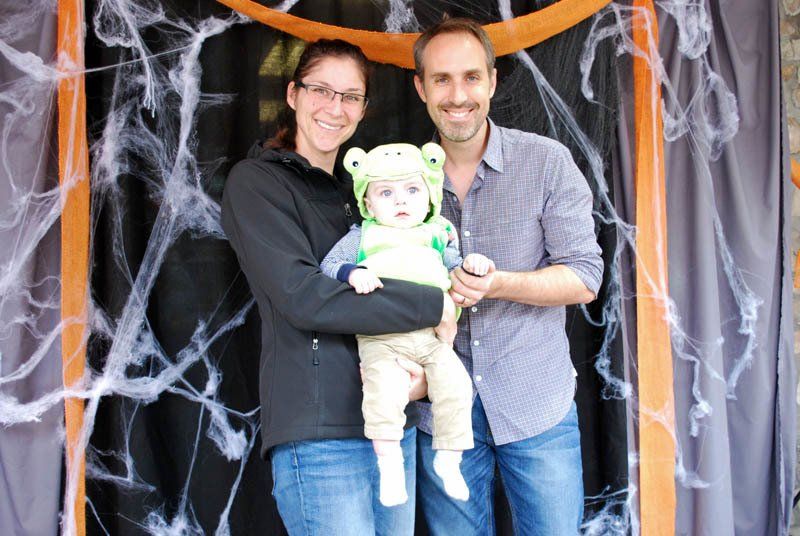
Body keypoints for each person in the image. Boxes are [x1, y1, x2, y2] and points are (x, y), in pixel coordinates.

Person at [220, 39, 457, 536]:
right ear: (292, 94)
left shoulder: (367, 196)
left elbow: (411, 267)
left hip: (392, 424)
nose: (335, 108)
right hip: (322, 435)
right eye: (322, 90)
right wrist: (434, 303)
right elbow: (304, 296)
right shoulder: (257, 183)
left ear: (364, 109)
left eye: (351, 96)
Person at [411, 18, 604, 535]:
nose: (458, 95)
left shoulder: (546, 162)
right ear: (420, 87)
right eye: (442, 79)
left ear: (493, 83)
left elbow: (586, 276)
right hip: (440, 413)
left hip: (535, 404)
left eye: (472, 77)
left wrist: (499, 284)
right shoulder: (399, 177)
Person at [320, 142, 493, 507]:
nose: (401, 202)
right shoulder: (363, 235)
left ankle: (449, 458)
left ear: (428, 196)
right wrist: (354, 272)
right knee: (384, 392)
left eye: (412, 190)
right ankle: (390, 465)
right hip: (381, 338)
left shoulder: (435, 233)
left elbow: (455, 266)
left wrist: (472, 264)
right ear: (368, 203)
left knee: (456, 385)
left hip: (432, 338)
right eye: (386, 192)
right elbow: (329, 264)